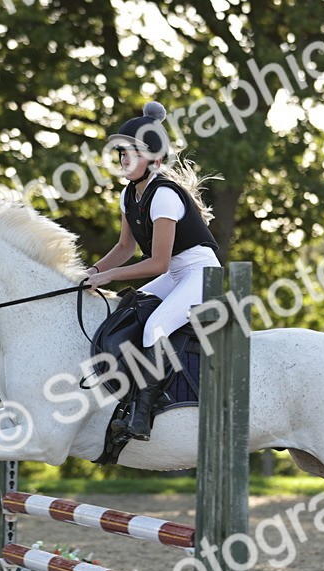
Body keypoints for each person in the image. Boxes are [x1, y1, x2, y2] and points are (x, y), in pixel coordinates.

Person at [86, 101, 222, 440]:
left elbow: (158, 263)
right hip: (177, 274)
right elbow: (125, 248)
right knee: (127, 310)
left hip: (201, 274)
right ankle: (127, 397)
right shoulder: (128, 195)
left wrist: (108, 276)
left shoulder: (163, 196)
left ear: (156, 161)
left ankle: (143, 416)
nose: (124, 159)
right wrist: (92, 271)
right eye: (122, 153)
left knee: (155, 326)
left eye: (133, 153)